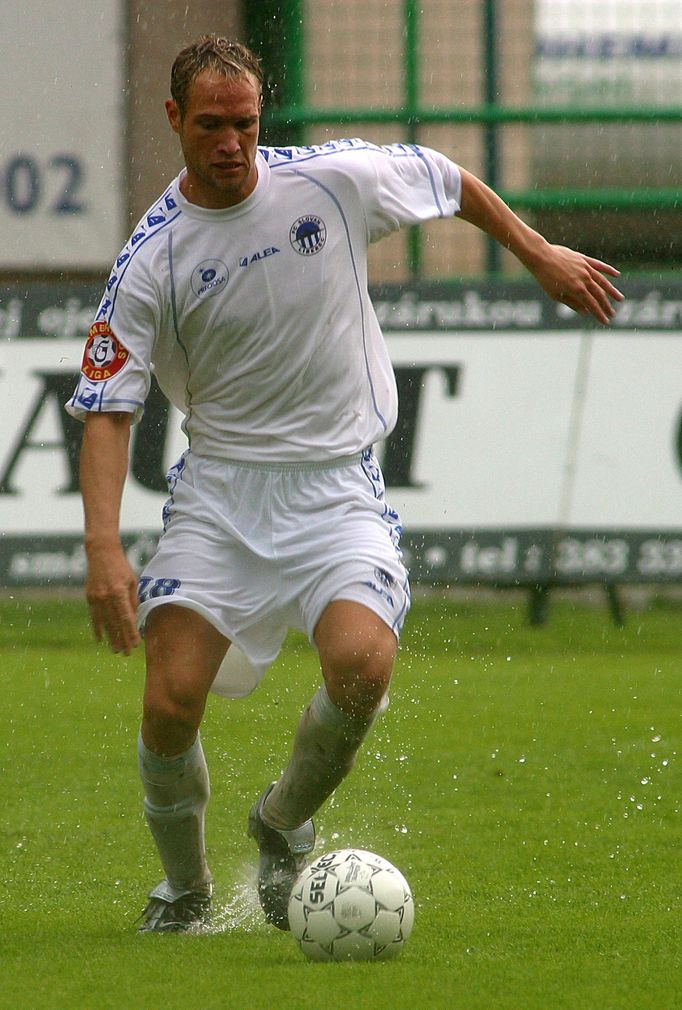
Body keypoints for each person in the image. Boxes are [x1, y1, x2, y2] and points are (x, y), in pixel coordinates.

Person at [66, 35, 623, 934]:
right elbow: (105, 410)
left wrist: (538, 251)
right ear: (174, 120)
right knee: (169, 703)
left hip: (336, 489)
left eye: (245, 124)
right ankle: (186, 891)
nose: (231, 144)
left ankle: (281, 823)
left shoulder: (331, 181)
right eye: (210, 125)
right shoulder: (152, 258)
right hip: (219, 497)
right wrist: (101, 549)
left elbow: (446, 177)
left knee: (363, 667)